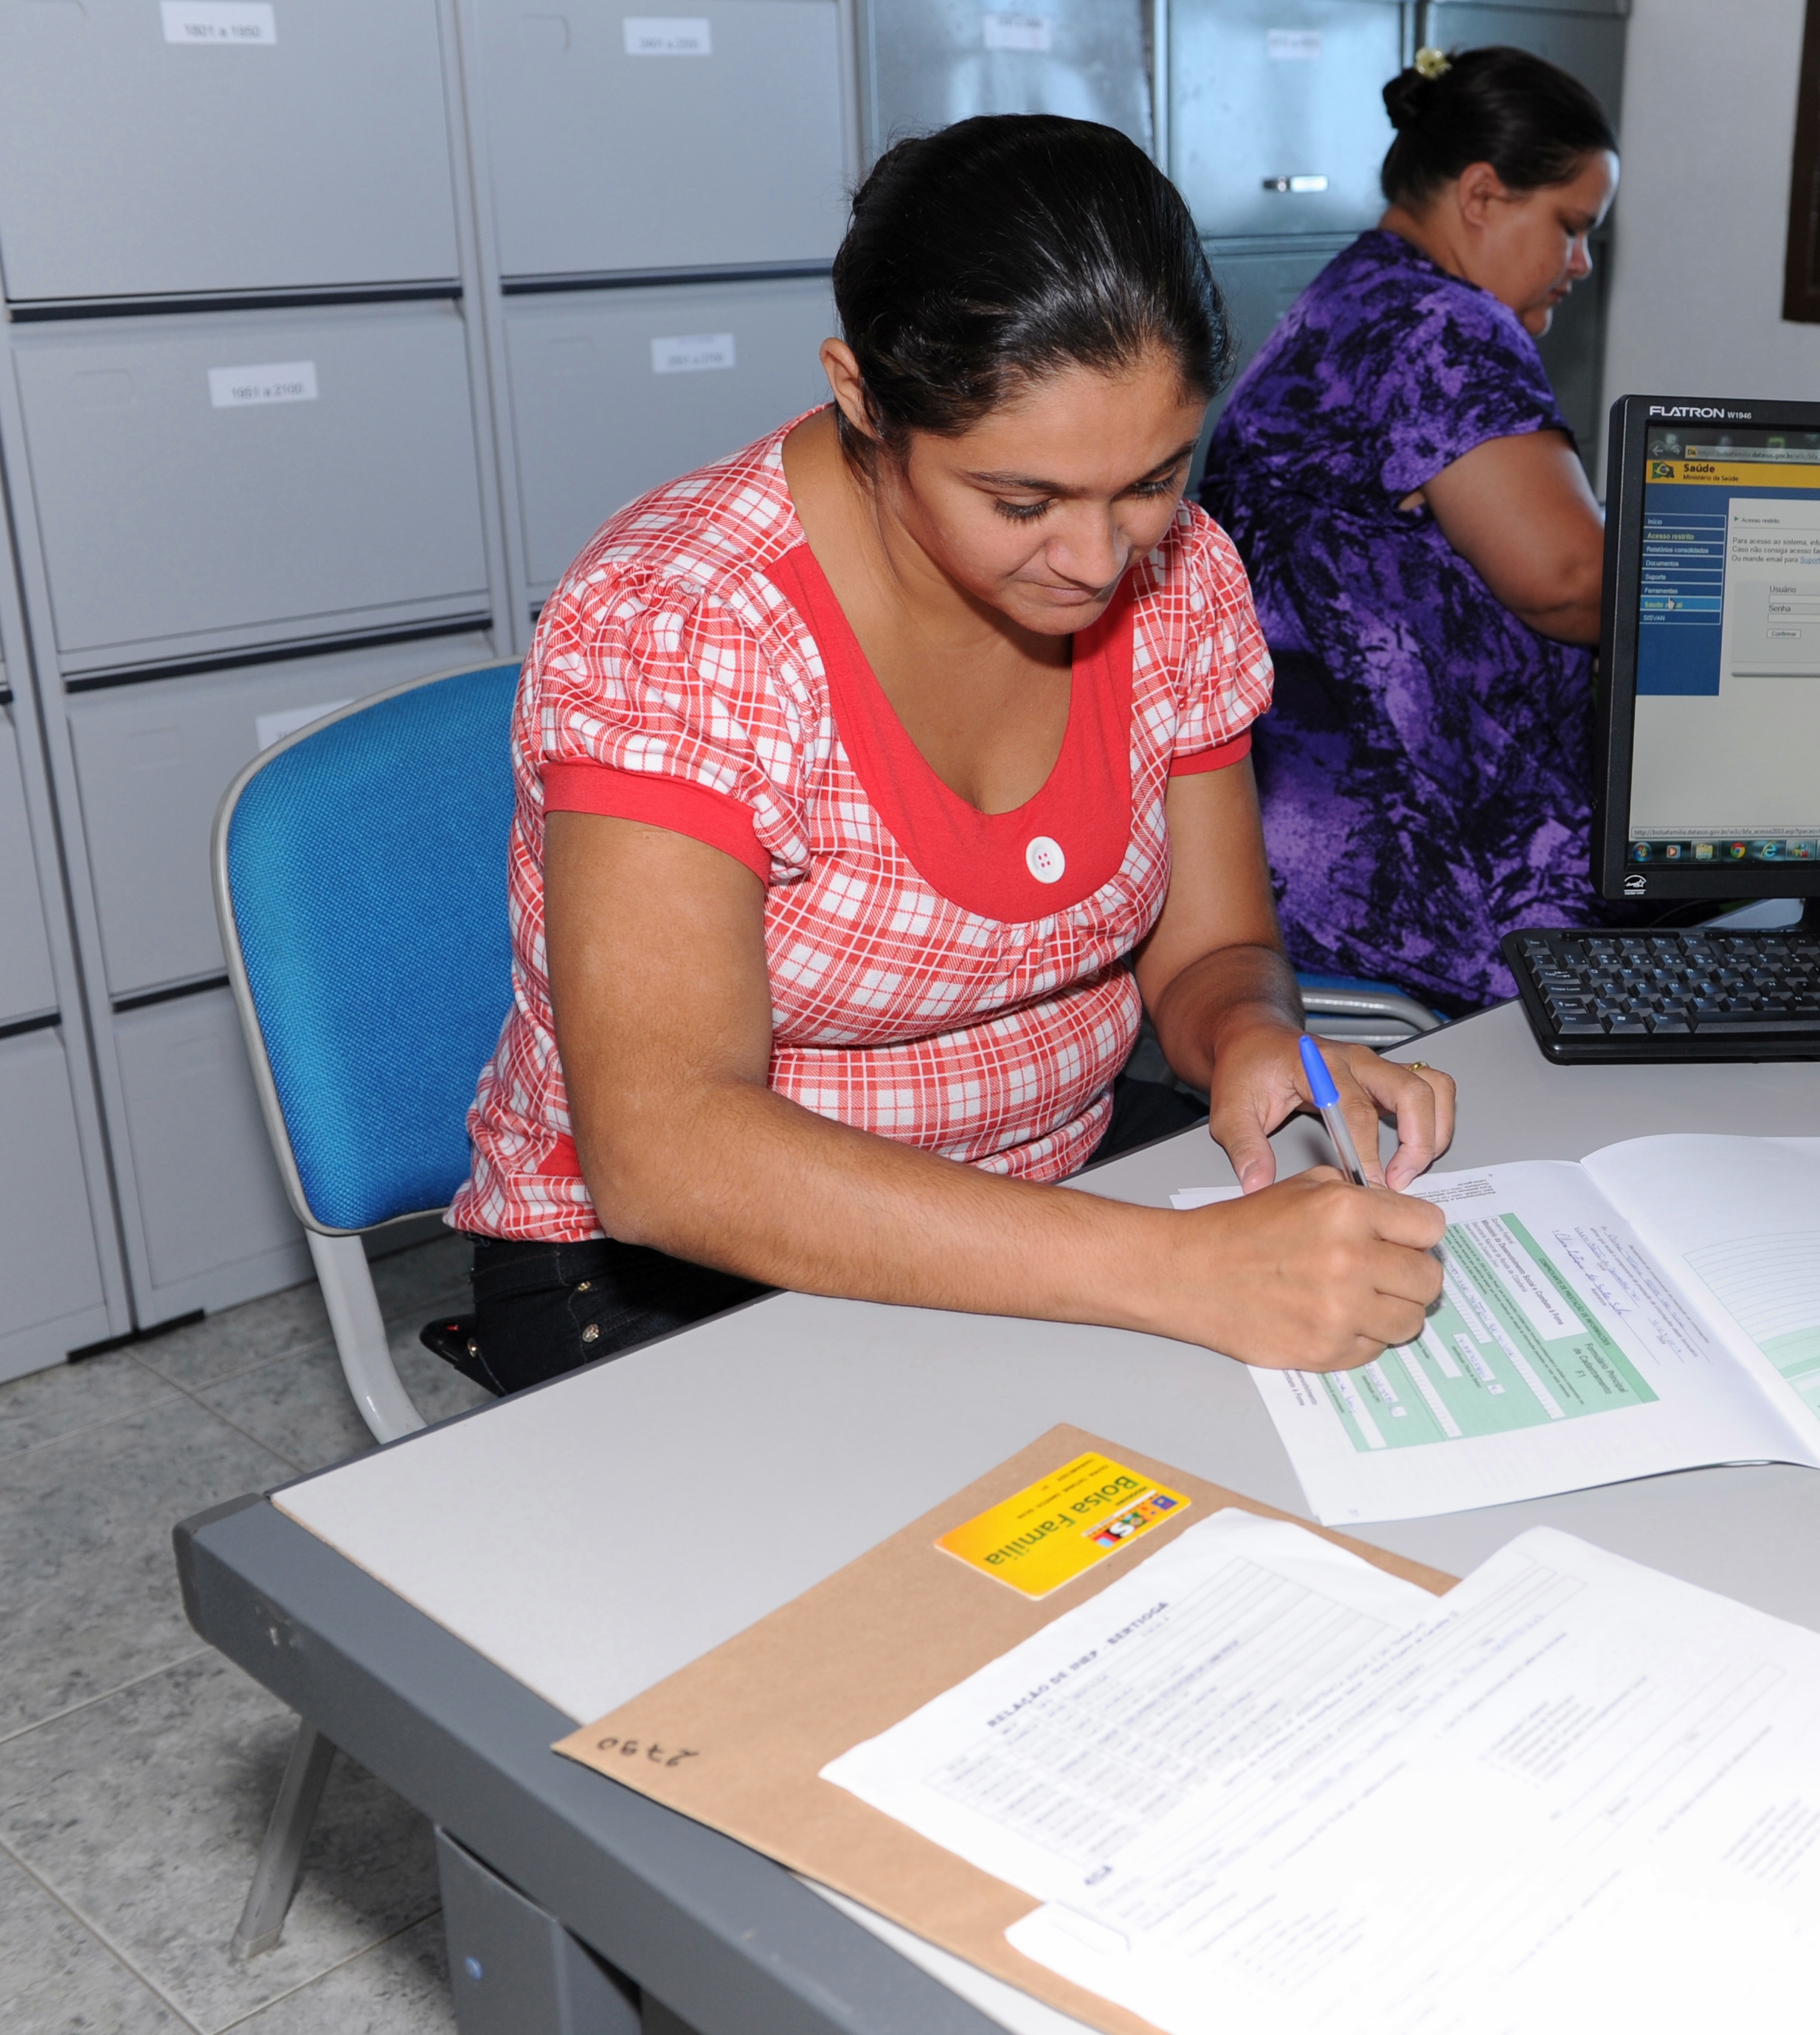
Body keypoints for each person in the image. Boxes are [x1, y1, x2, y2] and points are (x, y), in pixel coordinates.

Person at [435, 117, 1456, 1396]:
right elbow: (667, 1153)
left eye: (1150, 478)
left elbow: (1210, 950)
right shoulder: (687, 625)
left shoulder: (1179, 576)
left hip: (1057, 1183)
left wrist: (1250, 1034)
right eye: (1021, 503)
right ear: (862, 397)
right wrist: (1171, 1271)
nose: (1096, 557)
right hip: (683, 1269)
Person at [1194, 45, 1619, 1014]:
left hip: (1288, 838)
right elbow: (1567, 579)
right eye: (1571, 226)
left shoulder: (1358, 292)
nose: (1582, 264)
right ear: (1482, 194)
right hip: (1402, 862)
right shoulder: (1443, 326)